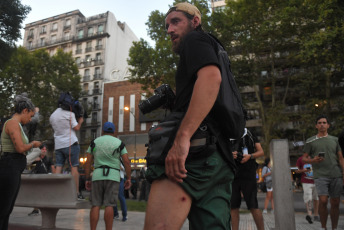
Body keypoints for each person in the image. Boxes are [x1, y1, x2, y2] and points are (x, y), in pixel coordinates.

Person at [144, 3, 236, 229]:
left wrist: (182, 137)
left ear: (195, 21)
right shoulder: (217, 49)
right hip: (219, 160)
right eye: (166, 25)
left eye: (176, 22)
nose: (169, 30)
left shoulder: (195, 40)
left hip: (193, 157)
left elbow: (211, 78)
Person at [0, 94, 42, 230]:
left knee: (7, 209)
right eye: (30, 115)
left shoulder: (16, 124)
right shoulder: (12, 123)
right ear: (24, 111)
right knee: (3, 208)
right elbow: (19, 148)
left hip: (13, 167)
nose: (30, 119)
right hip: (9, 167)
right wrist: (33, 144)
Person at [84, 122, 131, 230]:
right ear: (114, 132)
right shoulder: (119, 143)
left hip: (97, 176)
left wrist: (87, 178)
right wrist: (128, 178)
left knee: (95, 204)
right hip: (113, 176)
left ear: (102, 131)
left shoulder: (94, 142)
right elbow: (126, 162)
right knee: (109, 205)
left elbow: (88, 162)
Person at [302, 115, 344, 230]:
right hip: (320, 175)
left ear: (328, 125)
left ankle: (334, 228)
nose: (322, 124)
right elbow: (303, 158)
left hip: (336, 174)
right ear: (316, 126)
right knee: (323, 200)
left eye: (324, 123)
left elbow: (341, 158)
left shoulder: (335, 140)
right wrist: (313, 160)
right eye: (319, 123)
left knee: (335, 202)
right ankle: (323, 227)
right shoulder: (310, 141)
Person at [49, 97, 84, 199]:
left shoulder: (52, 115)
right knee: (74, 167)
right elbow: (76, 128)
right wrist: (80, 121)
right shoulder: (70, 114)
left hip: (58, 145)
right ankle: (76, 193)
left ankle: (55, 192)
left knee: (59, 166)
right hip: (70, 143)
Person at [231, 128, 264, 230]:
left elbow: (261, 152)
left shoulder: (248, 133)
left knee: (253, 205)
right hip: (232, 173)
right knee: (233, 207)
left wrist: (250, 156)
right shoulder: (227, 132)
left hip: (248, 173)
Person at [28, 144, 55, 216]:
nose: (44, 151)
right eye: (43, 149)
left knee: (46, 195)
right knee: (36, 194)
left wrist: (53, 176)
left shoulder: (49, 159)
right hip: (36, 179)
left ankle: (47, 210)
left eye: (45, 149)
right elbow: (27, 164)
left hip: (46, 179)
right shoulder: (35, 158)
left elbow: (53, 168)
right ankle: (35, 209)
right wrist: (34, 160)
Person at [295, 155, 319, 223]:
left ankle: (316, 215)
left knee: (316, 198)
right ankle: (309, 214)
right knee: (308, 198)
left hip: (317, 180)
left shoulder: (316, 157)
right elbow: (296, 170)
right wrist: (304, 170)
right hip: (306, 181)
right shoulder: (300, 159)